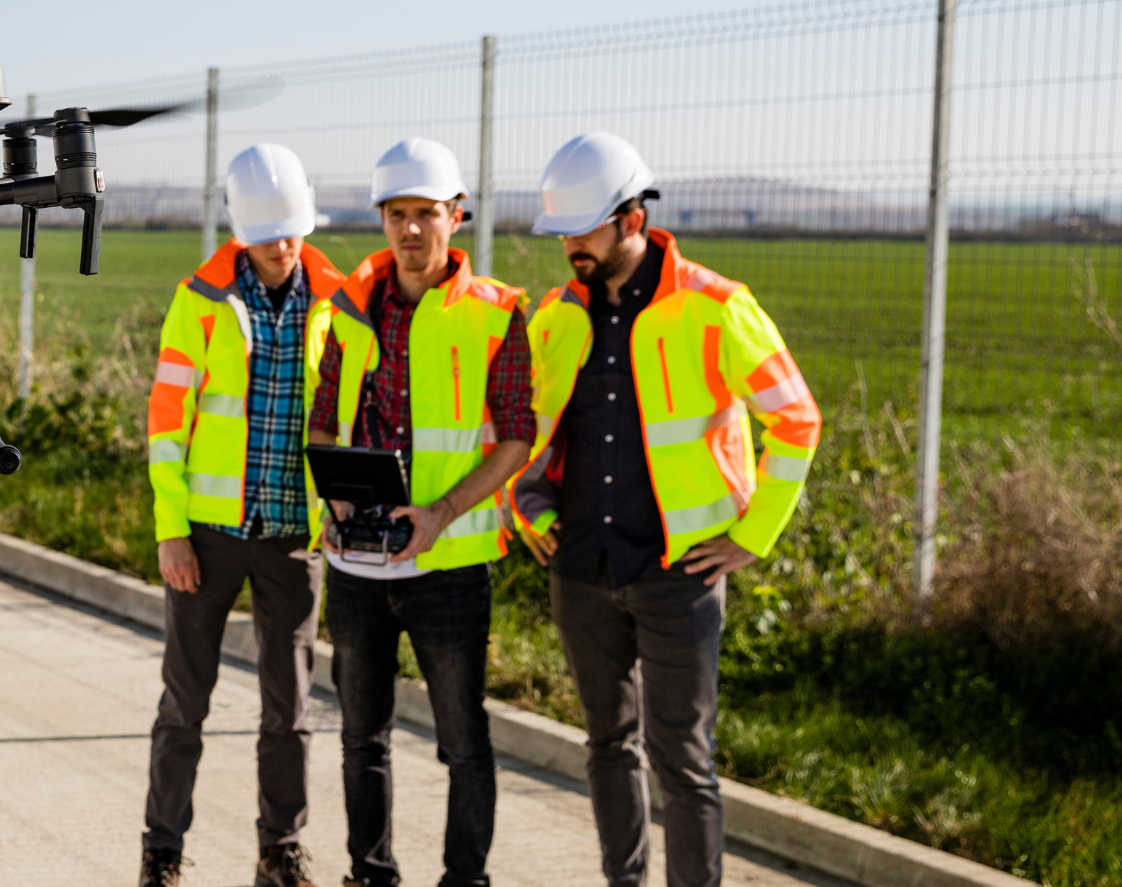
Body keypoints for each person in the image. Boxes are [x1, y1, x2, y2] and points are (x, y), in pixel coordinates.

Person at [507, 133, 821, 887]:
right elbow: (532, 433)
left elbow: (798, 419)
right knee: (606, 744)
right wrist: (531, 515)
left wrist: (751, 536)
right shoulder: (554, 316)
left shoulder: (715, 307)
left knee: (683, 759)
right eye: (563, 233)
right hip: (579, 565)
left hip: (679, 569)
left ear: (632, 218)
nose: (571, 246)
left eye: (583, 230)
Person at [306, 137, 534, 887]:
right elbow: (320, 423)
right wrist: (336, 496)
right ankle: (371, 876)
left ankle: (465, 880)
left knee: (463, 742)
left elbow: (516, 437)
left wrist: (438, 513)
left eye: (427, 213)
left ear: (457, 216)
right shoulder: (346, 311)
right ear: (381, 218)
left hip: (452, 565)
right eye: (397, 213)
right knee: (360, 738)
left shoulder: (498, 314)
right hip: (355, 563)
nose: (411, 230)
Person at [142, 144, 347, 887]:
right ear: (239, 231)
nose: (282, 248)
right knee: (184, 704)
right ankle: (162, 851)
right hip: (207, 537)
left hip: (296, 537)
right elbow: (168, 423)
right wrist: (170, 528)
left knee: (288, 711)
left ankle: (281, 852)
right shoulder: (199, 300)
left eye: (292, 231)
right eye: (267, 235)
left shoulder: (337, 300)